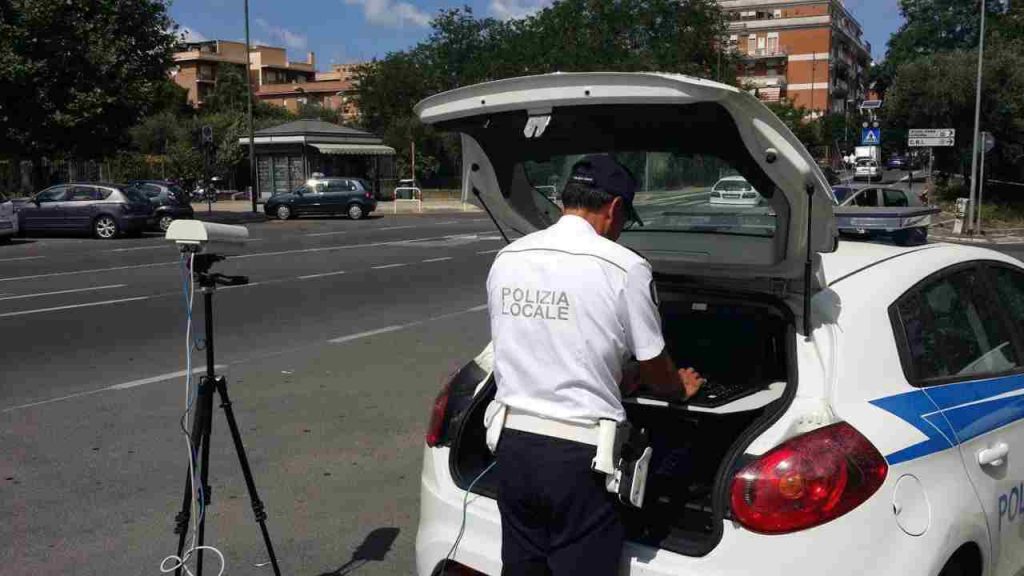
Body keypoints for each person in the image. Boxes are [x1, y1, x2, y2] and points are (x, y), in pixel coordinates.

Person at [486, 154, 705, 576]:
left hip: (512, 447)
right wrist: (679, 387)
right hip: (579, 458)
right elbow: (656, 367)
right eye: (624, 220)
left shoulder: (508, 257)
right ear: (614, 208)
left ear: (566, 198)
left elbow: (531, 345)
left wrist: (616, 377)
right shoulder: (625, 267)